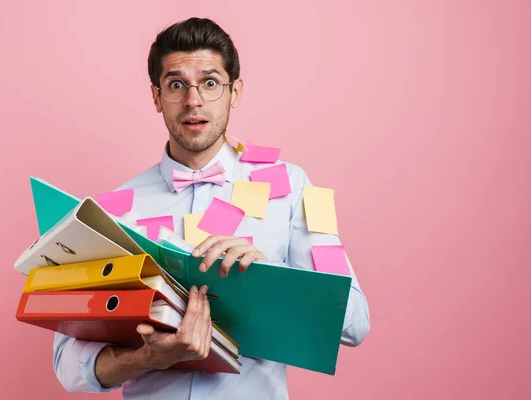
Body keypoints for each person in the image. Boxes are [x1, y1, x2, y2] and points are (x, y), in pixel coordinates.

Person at [52, 17, 370, 400]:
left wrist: (269, 277)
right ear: (156, 97)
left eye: (209, 82)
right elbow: (68, 367)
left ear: (234, 92)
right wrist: (147, 357)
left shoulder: (294, 185)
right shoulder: (112, 212)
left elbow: (354, 322)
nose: (193, 100)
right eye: (176, 85)